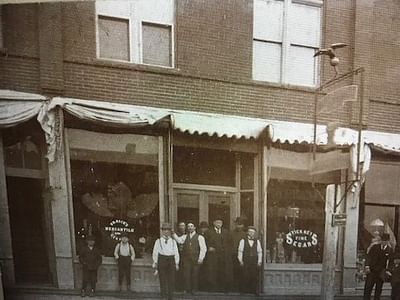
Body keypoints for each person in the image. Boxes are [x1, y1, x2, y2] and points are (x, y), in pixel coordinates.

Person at [173, 222, 207, 295]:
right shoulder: (185, 236)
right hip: (187, 259)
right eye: (188, 226)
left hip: (196, 258)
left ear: (195, 228)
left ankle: (194, 289)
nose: (190, 228)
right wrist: (173, 233)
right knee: (186, 274)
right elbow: (179, 241)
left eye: (192, 226)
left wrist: (201, 258)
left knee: (195, 274)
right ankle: (187, 289)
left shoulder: (200, 237)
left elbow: (203, 249)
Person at [152, 223, 180, 300]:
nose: (166, 232)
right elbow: (155, 252)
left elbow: (176, 252)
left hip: (171, 260)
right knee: (163, 279)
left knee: (171, 279)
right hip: (162, 260)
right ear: (162, 231)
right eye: (165, 230)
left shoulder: (173, 241)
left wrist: (176, 263)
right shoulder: (158, 241)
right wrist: (155, 262)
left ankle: (170, 296)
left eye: (168, 230)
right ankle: (163, 296)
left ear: (170, 231)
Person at [204, 218, 232, 292]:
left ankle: (222, 288)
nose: (219, 224)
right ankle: (213, 288)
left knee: (223, 271)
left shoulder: (226, 232)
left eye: (220, 222)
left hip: (223, 256)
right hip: (212, 256)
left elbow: (230, 243)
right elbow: (204, 242)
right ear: (214, 223)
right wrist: (208, 247)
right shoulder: (208, 232)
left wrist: (226, 250)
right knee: (212, 271)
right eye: (217, 222)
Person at [364, 233, 393, 300]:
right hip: (372, 271)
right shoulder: (375, 247)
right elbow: (369, 257)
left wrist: (388, 270)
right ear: (380, 240)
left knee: (378, 289)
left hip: (381, 272)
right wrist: (367, 266)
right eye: (382, 240)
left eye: (385, 241)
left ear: (388, 241)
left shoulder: (389, 250)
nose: (384, 242)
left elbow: (391, 262)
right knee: (368, 288)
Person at [238, 226, 263, 295]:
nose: (251, 233)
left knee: (254, 276)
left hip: (254, 260)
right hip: (246, 260)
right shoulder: (243, 240)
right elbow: (240, 251)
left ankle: (254, 291)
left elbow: (259, 251)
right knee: (245, 275)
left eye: (253, 232)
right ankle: (244, 291)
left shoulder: (257, 241)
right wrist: (240, 260)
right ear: (247, 233)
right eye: (250, 232)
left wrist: (259, 261)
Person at [231, 217, 247, 292]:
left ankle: (242, 288)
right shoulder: (231, 233)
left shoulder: (245, 234)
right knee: (234, 271)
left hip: (243, 256)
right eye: (237, 224)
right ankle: (234, 288)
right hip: (233, 255)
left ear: (243, 225)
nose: (239, 226)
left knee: (242, 271)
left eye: (240, 225)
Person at [198, 221, 209, 291]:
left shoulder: (209, 234)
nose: (203, 229)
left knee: (207, 271)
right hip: (200, 255)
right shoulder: (198, 235)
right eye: (202, 228)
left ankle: (206, 286)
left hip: (208, 256)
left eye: (205, 228)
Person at [175, 221, 186, 292]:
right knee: (177, 272)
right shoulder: (176, 235)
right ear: (178, 227)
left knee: (184, 272)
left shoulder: (187, 235)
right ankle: (177, 288)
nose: (182, 227)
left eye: (183, 226)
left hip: (185, 256)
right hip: (177, 254)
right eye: (180, 226)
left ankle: (184, 288)